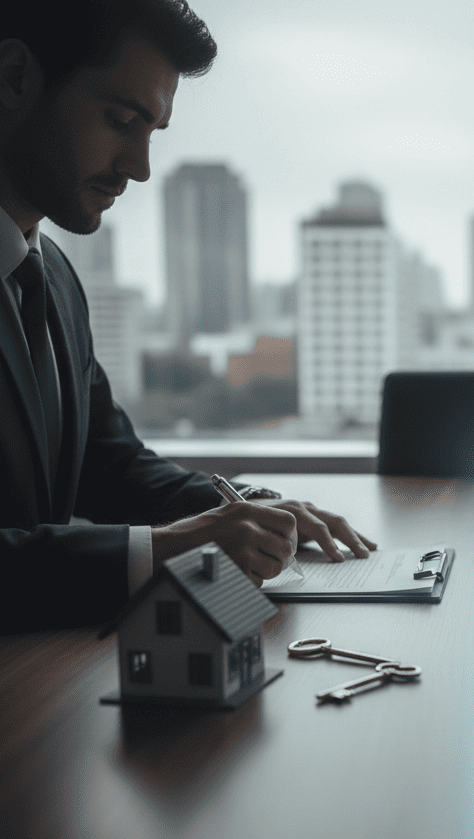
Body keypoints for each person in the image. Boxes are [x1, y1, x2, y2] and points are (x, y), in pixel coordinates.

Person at [0, 0, 375, 632]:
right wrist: (167, 550)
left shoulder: (54, 278)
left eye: (151, 133)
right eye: (121, 119)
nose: (140, 167)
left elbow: (109, 463)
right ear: (13, 77)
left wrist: (248, 508)